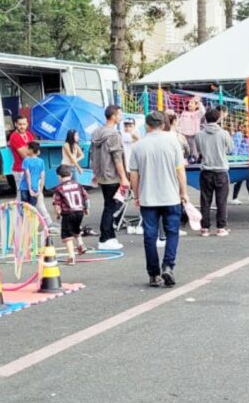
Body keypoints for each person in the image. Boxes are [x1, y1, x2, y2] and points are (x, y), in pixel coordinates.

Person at [130, 112, 189, 287]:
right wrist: (183, 192)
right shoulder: (173, 142)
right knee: (172, 232)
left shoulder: (138, 146)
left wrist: (136, 195)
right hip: (171, 196)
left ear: (147, 126)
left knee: (150, 236)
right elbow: (180, 171)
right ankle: (168, 265)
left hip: (148, 198)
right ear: (163, 125)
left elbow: (134, 175)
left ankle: (153, 274)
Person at [90, 105, 129, 251]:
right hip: (112, 176)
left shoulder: (97, 132)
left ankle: (111, 237)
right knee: (111, 207)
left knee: (109, 205)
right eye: (120, 114)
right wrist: (124, 177)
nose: (121, 116)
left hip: (102, 175)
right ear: (113, 116)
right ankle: (104, 238)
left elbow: (93, 155)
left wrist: (95, 173)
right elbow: (117, 158)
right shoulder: (113, 134)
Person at [194, 107, 234, 237]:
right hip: (221, 169)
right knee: (221, 200)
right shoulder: (224, 133)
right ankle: (221, 227)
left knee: (205, 200)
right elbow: (230, 149)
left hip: (206, 170)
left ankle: (204, 228)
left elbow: (199, 150)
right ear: (218, 118)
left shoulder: (199, 134)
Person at [52, 165, 89, 265]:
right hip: (79, 212)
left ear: (59, 177)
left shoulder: (59, 189)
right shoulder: (78, 185)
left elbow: (57, 203)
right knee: (76, 228)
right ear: (71, 174)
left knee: (67, 235)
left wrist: (58, 213)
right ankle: (81, 245)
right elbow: (86, 197)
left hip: (68, 213)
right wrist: (87, 208)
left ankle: (71, 256)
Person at [7, 116, 35, 186]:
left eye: (24, 124)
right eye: (20, 124)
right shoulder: (14, 136)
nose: (22, 126)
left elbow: (35, 150)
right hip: (20, 170)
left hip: (30, 168)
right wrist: (32, 152)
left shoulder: (29, 134)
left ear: (27, 124)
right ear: (16, 124)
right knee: (22, 194)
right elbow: (25, 155)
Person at [176, 97, 205, 161]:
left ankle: (195, 164)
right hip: (183, 136)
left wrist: (199, 102)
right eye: (189, 102)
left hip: (193, 137)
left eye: (192, 103)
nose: (189, 104)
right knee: (183, 153)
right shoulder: (184, 113)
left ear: (196, 106)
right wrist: (179, 132)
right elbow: (179, 123)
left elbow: (202, 111)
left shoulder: (197, 113)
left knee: (194, 153)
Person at [19, 141, 46, 209]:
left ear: (31, 150)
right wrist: (40, 191)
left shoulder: (26, 160)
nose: (26, 150)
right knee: (32, 209)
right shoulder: (41, 161)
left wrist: (29, 189)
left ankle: (25, 220)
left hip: (24, 188)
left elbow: (28, 175)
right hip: (35, 188)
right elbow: (42, 177)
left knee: (25, 209)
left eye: (27, 148)